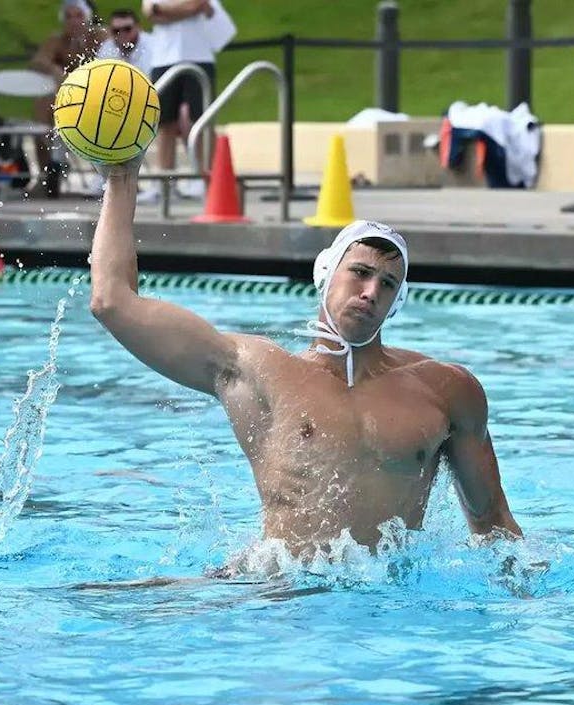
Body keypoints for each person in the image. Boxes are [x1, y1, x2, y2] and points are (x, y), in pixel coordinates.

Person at [88, 161, 523, 562]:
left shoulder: (446, 391)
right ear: (325, 273)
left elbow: (492, 523)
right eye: (359, 272)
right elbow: (113, 302)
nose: (371, 291)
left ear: (397, 303)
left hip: (391, 613)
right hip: (276, 599)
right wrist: (122, 179)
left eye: (388, 283)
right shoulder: (257, 371)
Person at [140, 0, 225, 203]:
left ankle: (205, 179)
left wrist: (163, 10)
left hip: (199, 55)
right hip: (164, 58)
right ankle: (164, 182)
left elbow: (198, 5)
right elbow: (148, 11)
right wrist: (184, 10)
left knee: (202, 120)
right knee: (164, 122)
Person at [27, 0, 105, 197]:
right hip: (68, 102)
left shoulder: (100, 37)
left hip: (97, 99)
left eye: (78, 16)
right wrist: (54, 69)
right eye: (68, 16)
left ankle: (108, 174)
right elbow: (37, 61)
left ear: (87, 18)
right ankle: (49, 171)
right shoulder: (58, 41)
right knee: (43, 105)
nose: (73, 21)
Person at [97, 8, 152, 77]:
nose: (122, 34)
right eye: (116, 30)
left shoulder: (153, 46)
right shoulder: (107, 48)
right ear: (110, 31)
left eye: (127, 29)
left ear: (138, 27)